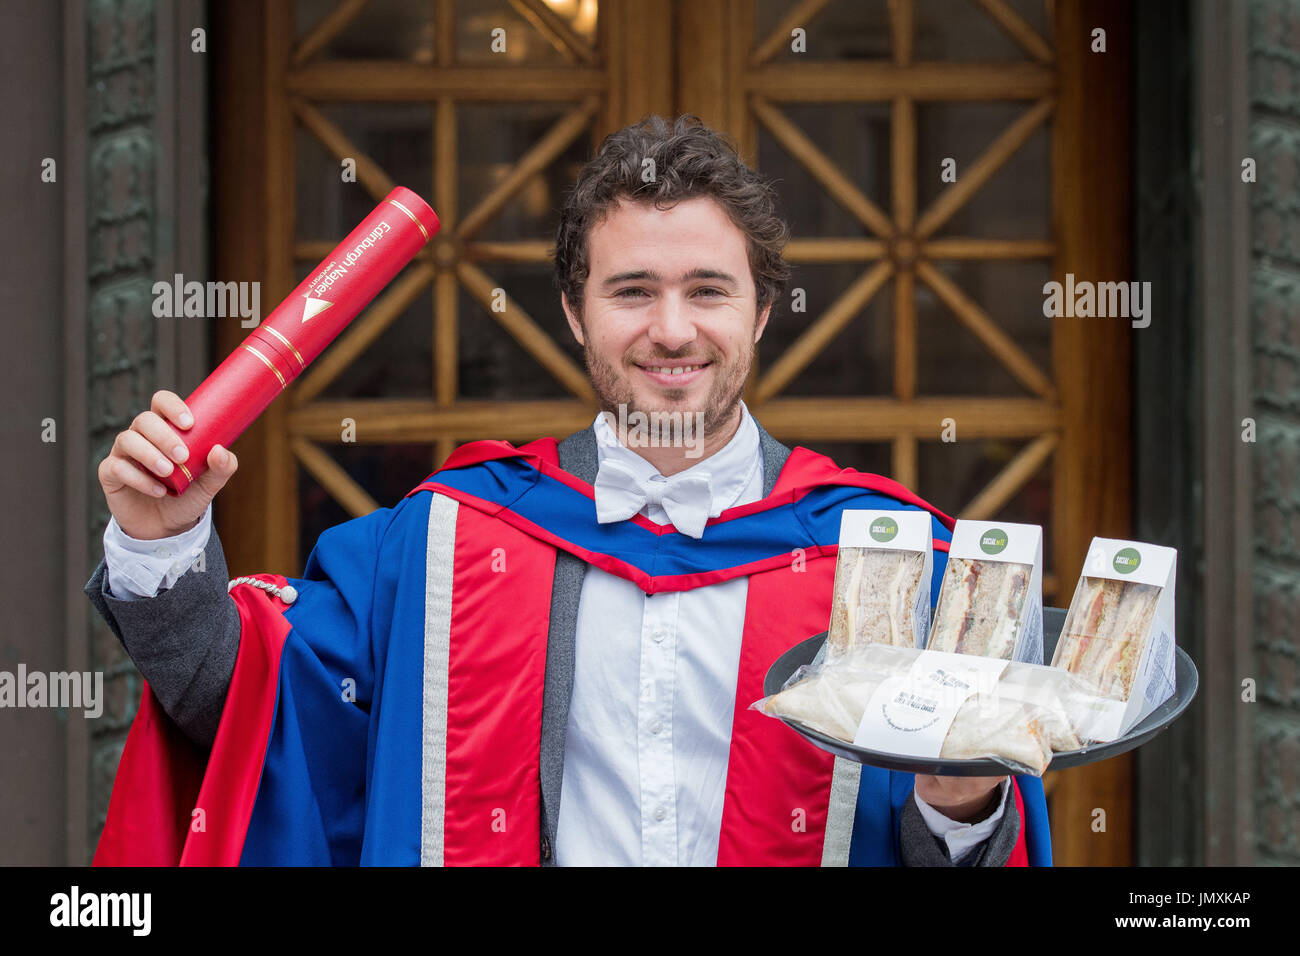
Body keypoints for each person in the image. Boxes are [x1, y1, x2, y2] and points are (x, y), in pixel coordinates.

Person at [86, 114, 1049, 867]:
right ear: (575, 315)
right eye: (631, 291)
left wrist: (964, 799)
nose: (672, 331)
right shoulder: (448, 544)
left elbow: (953, 854)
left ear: (761, 311)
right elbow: (247, 710)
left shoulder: (889, 561)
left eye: (708, 290)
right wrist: (162, 543)